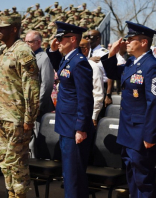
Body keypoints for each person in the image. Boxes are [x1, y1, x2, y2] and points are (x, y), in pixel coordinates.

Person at [101, 21, 156, 198]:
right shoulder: (132, 63)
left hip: (141, 133)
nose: (127, 42)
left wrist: (150, 135)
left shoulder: (152, 67)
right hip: (128, 131)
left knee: (143, 180)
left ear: (144, 42)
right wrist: (112, 53)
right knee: (132, 176)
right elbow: (113, 73)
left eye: (131, 39)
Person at [0, 15, 40, 198]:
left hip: (17, 118)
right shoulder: (1, 50)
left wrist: (29, 119)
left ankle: (19, 196)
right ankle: (11, 194)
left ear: (15, 29)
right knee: (4, 161)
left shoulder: (23, 51)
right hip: (0, 115)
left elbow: (32, 87)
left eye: (4, 27)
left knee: (17, 164)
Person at [47, 21, 94, 198]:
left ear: (72, 39)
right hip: (66, 125)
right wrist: (53, 50)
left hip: (74, 127)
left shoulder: (79, 63)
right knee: (70, 174)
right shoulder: (69, 59)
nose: (57, 41)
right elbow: (61, 69)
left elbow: (85, 98)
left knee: (73, 175)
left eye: (61, 38)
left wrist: (81, 128)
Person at [25, 31, 55, 121]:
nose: (26, 44)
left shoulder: (44, 58)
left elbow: (46, 84)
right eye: (25, 41)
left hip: (39, 109)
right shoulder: (27, 56)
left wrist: (38, 105)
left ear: (38, 42)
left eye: (29, 42)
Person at [83, 29, 113, 107]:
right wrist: (88, 60)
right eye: (86, 37)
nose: (87, 39)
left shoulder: (104, 53)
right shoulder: (86, 52)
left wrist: (108, 95)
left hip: (101, 87)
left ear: (98, 38)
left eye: (90, 37)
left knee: (98, 115)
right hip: (88, 86)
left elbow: (110, 75)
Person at [79, 39, 104, 127]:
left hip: (85, 115)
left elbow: (98, 94)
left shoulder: (93, 67)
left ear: (85, 50)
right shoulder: (69, 64)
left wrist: (94, 116)